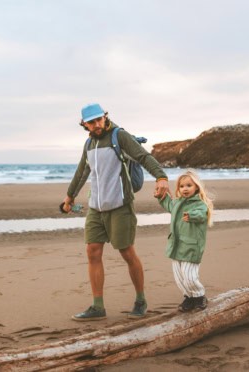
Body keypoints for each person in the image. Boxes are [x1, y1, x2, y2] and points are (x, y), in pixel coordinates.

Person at [63, 103, 170, 321]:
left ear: (105, 117)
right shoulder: (89, 143)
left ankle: (140, 300)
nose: (97, 124)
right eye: (92, 122)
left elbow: (143, 157)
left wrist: (161, 177)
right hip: (96, 208)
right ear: (84, 124)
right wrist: (70, 196)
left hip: (120, 206)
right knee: (92, 252)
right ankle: (97, 307)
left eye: (99, 119)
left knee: (127, 252)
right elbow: (82, 171)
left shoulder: (119, 136)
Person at [155, 169, 214, 312]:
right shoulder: (178, 203)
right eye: (182, 186)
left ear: (196, 187)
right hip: (176, 245)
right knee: (179, 276)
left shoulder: (199, 204)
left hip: (191, 247)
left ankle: (199, 297)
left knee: (189, 275)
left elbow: (202, 214)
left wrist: (191, 215)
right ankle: (189, 297)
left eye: (189, 185)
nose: (185, 189)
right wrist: (161, 197)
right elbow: (169, 205)